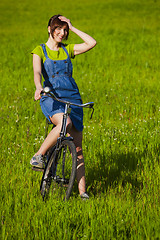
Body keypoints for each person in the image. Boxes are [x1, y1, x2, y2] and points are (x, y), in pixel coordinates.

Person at [30, 15, 96, 199]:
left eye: (65, 30)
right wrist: (38, 87)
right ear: (50, 29)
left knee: (78, 149)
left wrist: (73, 28)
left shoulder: (68, 50)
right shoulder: (39, 50)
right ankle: (39, 155)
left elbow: (92, 42)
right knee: (64, 122)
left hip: (72, 96)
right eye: (59, 28)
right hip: (51, 96)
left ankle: (83, 193)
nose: (62, 32)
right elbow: (37, 71)